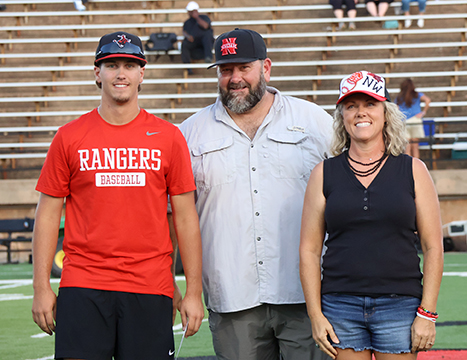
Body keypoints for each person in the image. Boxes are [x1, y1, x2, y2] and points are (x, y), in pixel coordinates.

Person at [31, 31, 204, 359]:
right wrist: (41, 287)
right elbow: (48, 214)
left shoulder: (169, 137)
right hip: (83, 283)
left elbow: (185, 217)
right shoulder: (69, 137)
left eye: (129, 65)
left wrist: (193, 291)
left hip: (149, 285)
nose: (120, 73)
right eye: (111, 65)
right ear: (97, 72)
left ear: (143, 73)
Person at [179, 28, 333, 360]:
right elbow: (174, 213)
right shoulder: (189, 133)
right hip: (231, 294)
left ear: (266, 67)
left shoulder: (313, 122)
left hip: (304, 294)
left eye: (243, 67)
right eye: (225, 69)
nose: (235, 78)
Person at [300, 70, 444, 360]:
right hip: (340, 306)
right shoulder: (323, 173)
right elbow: (309, 249)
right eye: (351, 106)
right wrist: (315, 315)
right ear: (342, 116)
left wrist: (427, 313)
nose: (360, 113)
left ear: (386, 112)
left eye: (370, 104)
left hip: (400, 305)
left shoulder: (413, 170)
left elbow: (433, 246)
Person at [396, 78, 431, 158]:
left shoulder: (400, 97)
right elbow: (428, 100)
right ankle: (416, 167)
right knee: (415, 146)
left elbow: (396, 108)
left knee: (407, 147)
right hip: (415, 120)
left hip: (404, 121)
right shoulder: (417, 95)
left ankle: (408, 167)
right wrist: (423, 112)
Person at [181, 1, 214, 75]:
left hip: (205, 43)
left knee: (207, 35)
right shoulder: (187, 22)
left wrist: (197, 17)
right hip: (194, 44)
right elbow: (184, 32)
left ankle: (208, 57)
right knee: (184, 44)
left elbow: (206, 26)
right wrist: (188, 36)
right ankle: (188, 69)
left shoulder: (204, 18)